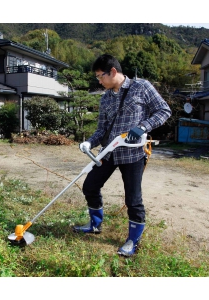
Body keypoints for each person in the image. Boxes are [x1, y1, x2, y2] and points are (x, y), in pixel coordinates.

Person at [73, 54, 172, 257]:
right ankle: (94, 225)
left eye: (100, 76)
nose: (99, 81)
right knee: (90, 186)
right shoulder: (106, 98)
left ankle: (133, 240)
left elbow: (164, 110)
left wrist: (143, 126)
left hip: (133, 154)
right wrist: (89, 142)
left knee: (133, 199)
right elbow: (102, 130)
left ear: (113, 72)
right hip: (109, 152)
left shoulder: (142, 87)